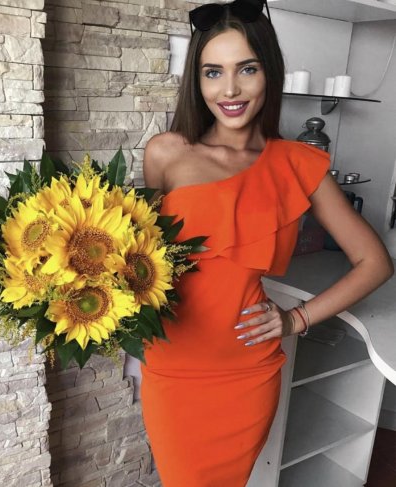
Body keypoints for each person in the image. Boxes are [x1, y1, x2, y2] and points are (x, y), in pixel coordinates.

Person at [139, 1, 394, 486]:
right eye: (213, 72)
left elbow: (375, 262)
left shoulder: (297, 163)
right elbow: (140, 257)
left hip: (248, 370)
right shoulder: (166, 153)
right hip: (173, 365)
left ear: (269, 72)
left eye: (247, 69)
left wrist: (297, 319)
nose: (229, 89)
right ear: (197, 80)